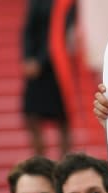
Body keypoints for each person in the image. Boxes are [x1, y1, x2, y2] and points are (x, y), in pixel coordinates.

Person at [22, 0, 76, 158]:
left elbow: (61, 34)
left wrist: (40, 60)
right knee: (31, 115)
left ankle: (64, 160)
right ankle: (40, 158)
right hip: (37, 70)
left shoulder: (68, 3)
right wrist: (28, 57)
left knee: (63, 119)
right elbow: (28, 30)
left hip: (59, 68)